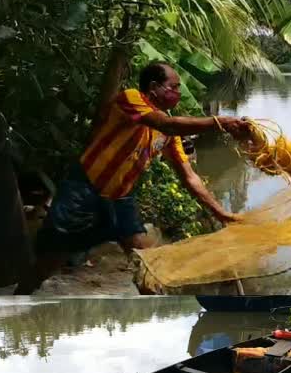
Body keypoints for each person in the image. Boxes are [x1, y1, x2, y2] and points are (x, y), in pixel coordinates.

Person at [13, 61, 250, 295]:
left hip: (120, 200)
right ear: (154, 86)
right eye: (174, 87)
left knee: (143, 261)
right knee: (51, 260)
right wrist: (221, 123)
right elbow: (165, 124)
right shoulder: (132, 99)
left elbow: (190, 178)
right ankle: (19, 300)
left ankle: (153, 306)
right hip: (84, 191)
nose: (177, 92)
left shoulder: (169, 134)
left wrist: (220, 212)